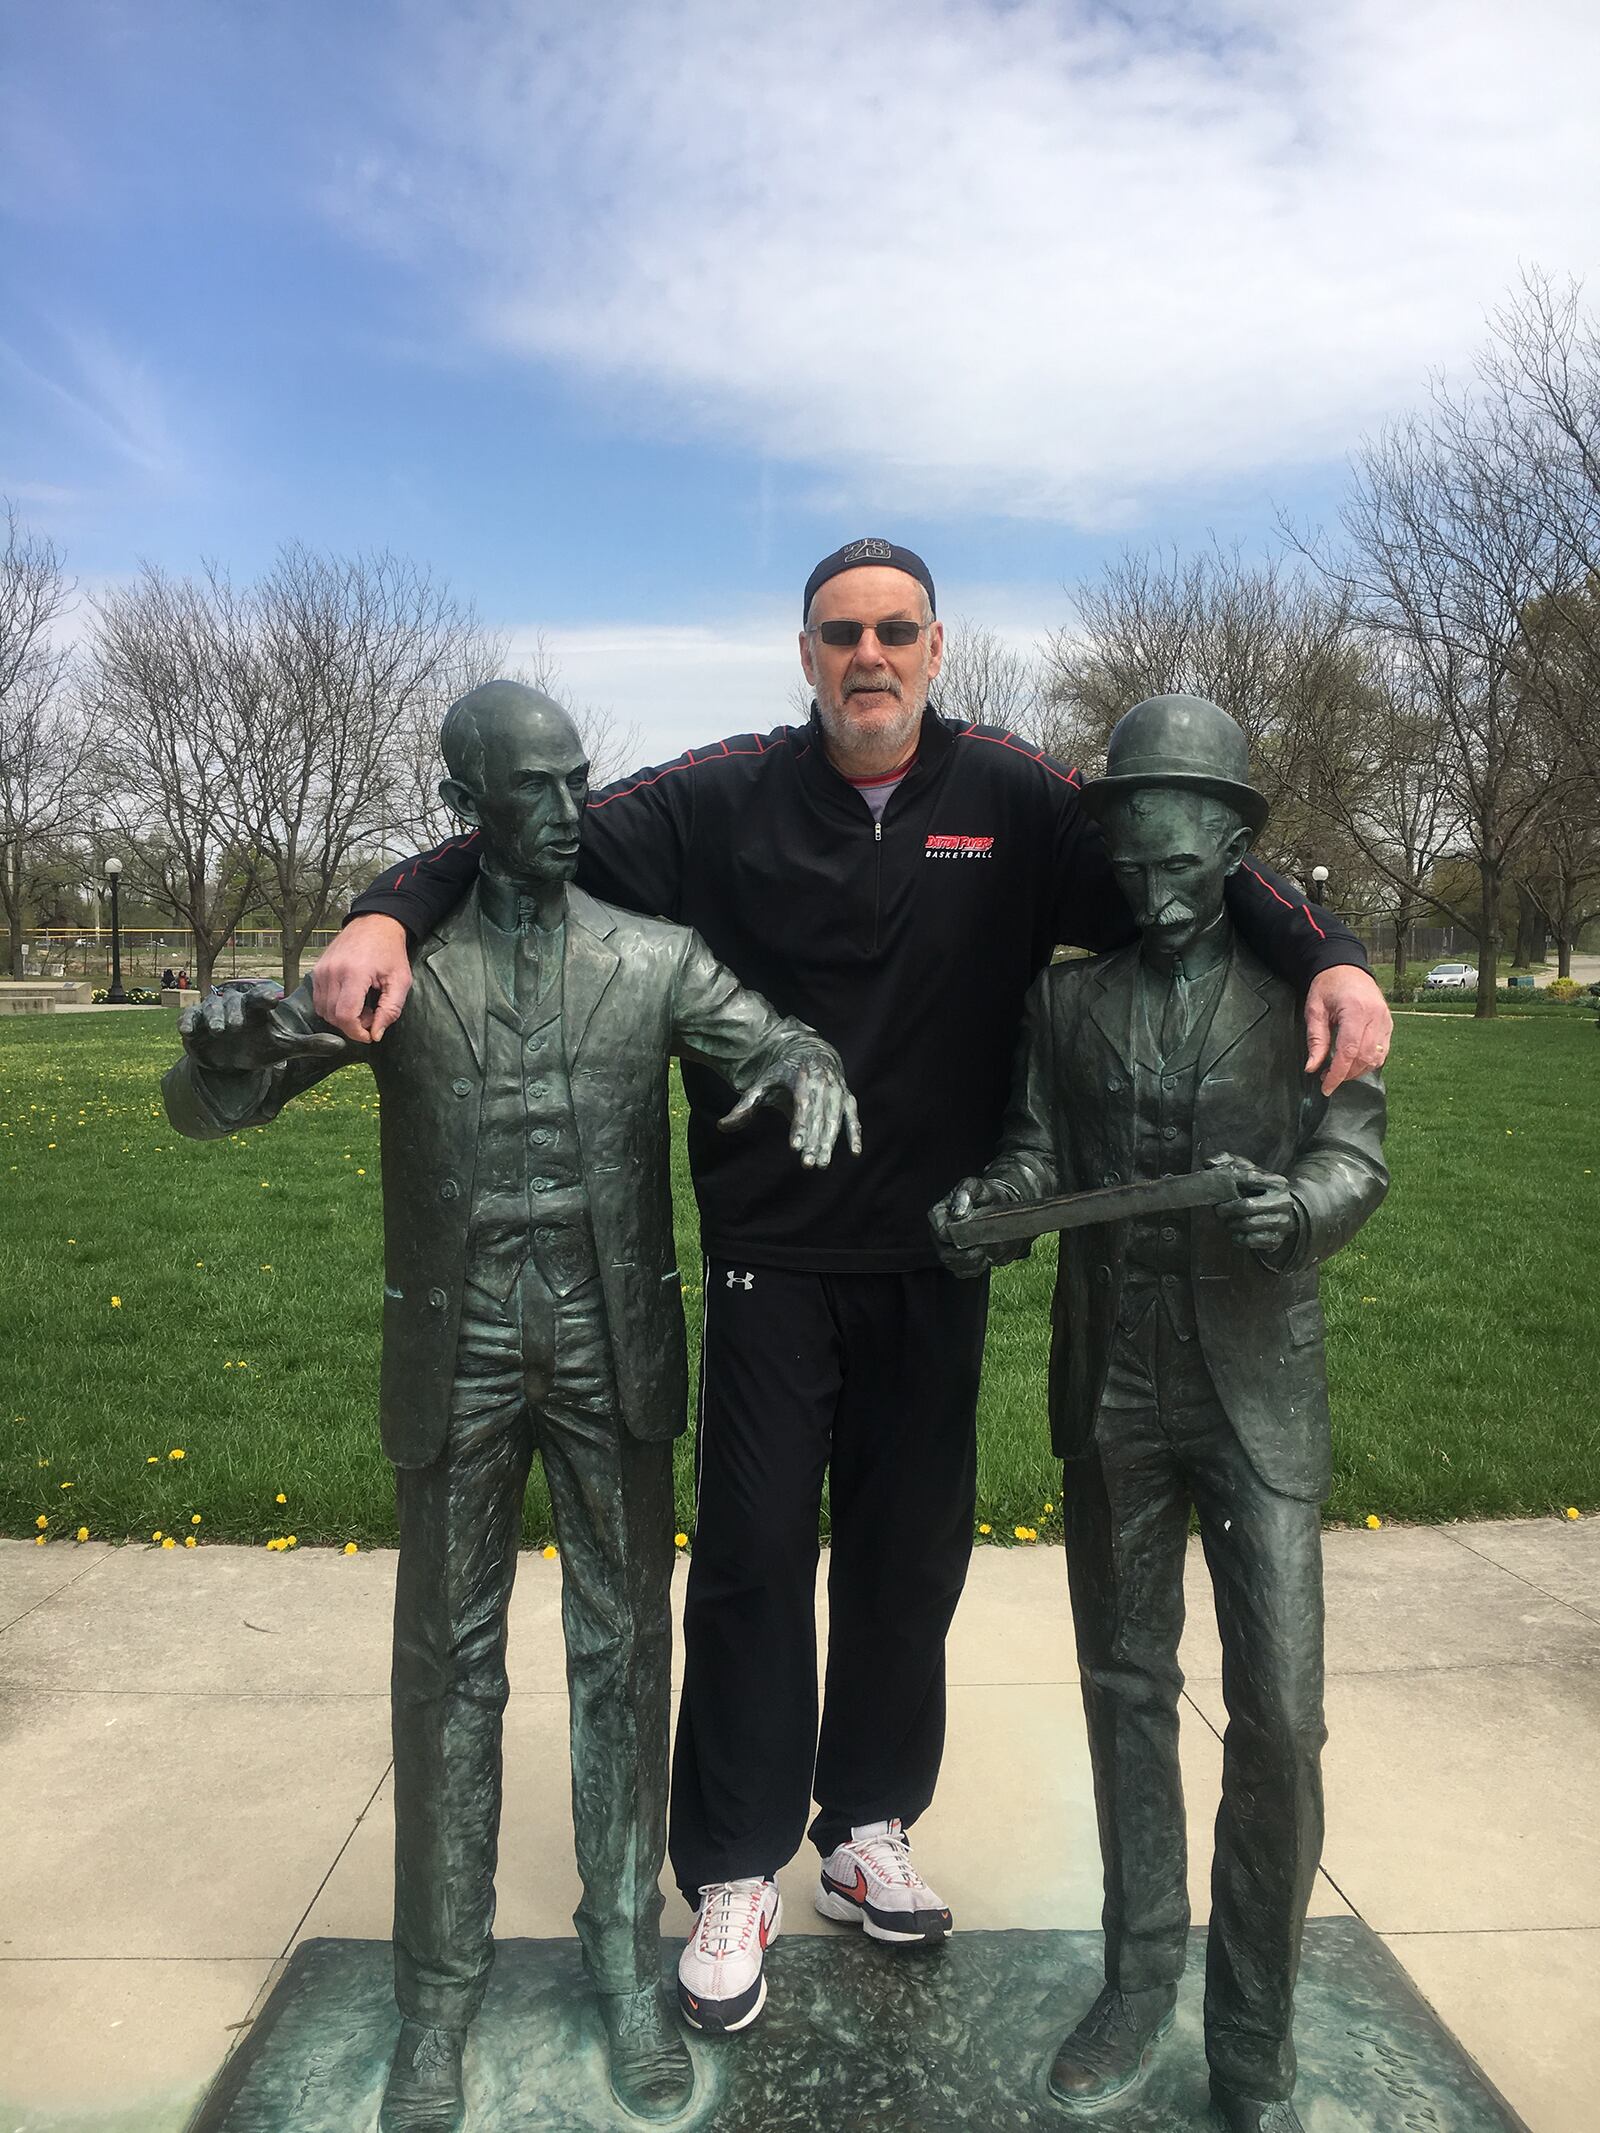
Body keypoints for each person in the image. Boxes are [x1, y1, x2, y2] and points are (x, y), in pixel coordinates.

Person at [313, 539, 1393, 2036]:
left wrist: (1327, 950)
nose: (868, 653)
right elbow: (514, 841)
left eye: (895, 629)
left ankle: (869, 1823)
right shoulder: (720, 794)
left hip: (942, 1254)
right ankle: (735, 1865)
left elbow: (1183, 854)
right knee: (754, 1562)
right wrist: (382, 909)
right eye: (840, 632)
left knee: (908, 1560)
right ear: (805, 650)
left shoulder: (1013, 798)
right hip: (771, 1255)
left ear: (936, 647)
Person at [164, 683, 857, 2130]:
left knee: (622, 1661)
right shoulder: (402, 969)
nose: (567, 810)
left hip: (610, 1349)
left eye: (574, 782)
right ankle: (440, 1998)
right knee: (447, 1672)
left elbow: (770, 1034)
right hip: (460, 1344)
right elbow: (207, 1100)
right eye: (535, 789)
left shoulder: (652, 957)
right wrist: (229, 1043)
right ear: (469, 804)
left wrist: (807, 1064)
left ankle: (620, 1962)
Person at [930, 696, 1388, 2132]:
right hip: (1113, 1384)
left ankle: (1253, 2029)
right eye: (1135, 858)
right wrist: (986, 1212)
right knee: (1127, 1693)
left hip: (1256, 1387)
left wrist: (1297, 1209)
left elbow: (1356, 1150)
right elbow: (1031, 1157)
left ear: (1234, 844)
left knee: (1284, 1720)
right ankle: (1138, 1978)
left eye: (1184, 859)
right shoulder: (1067, 1003)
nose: (1157, 882)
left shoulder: (1301, 996)